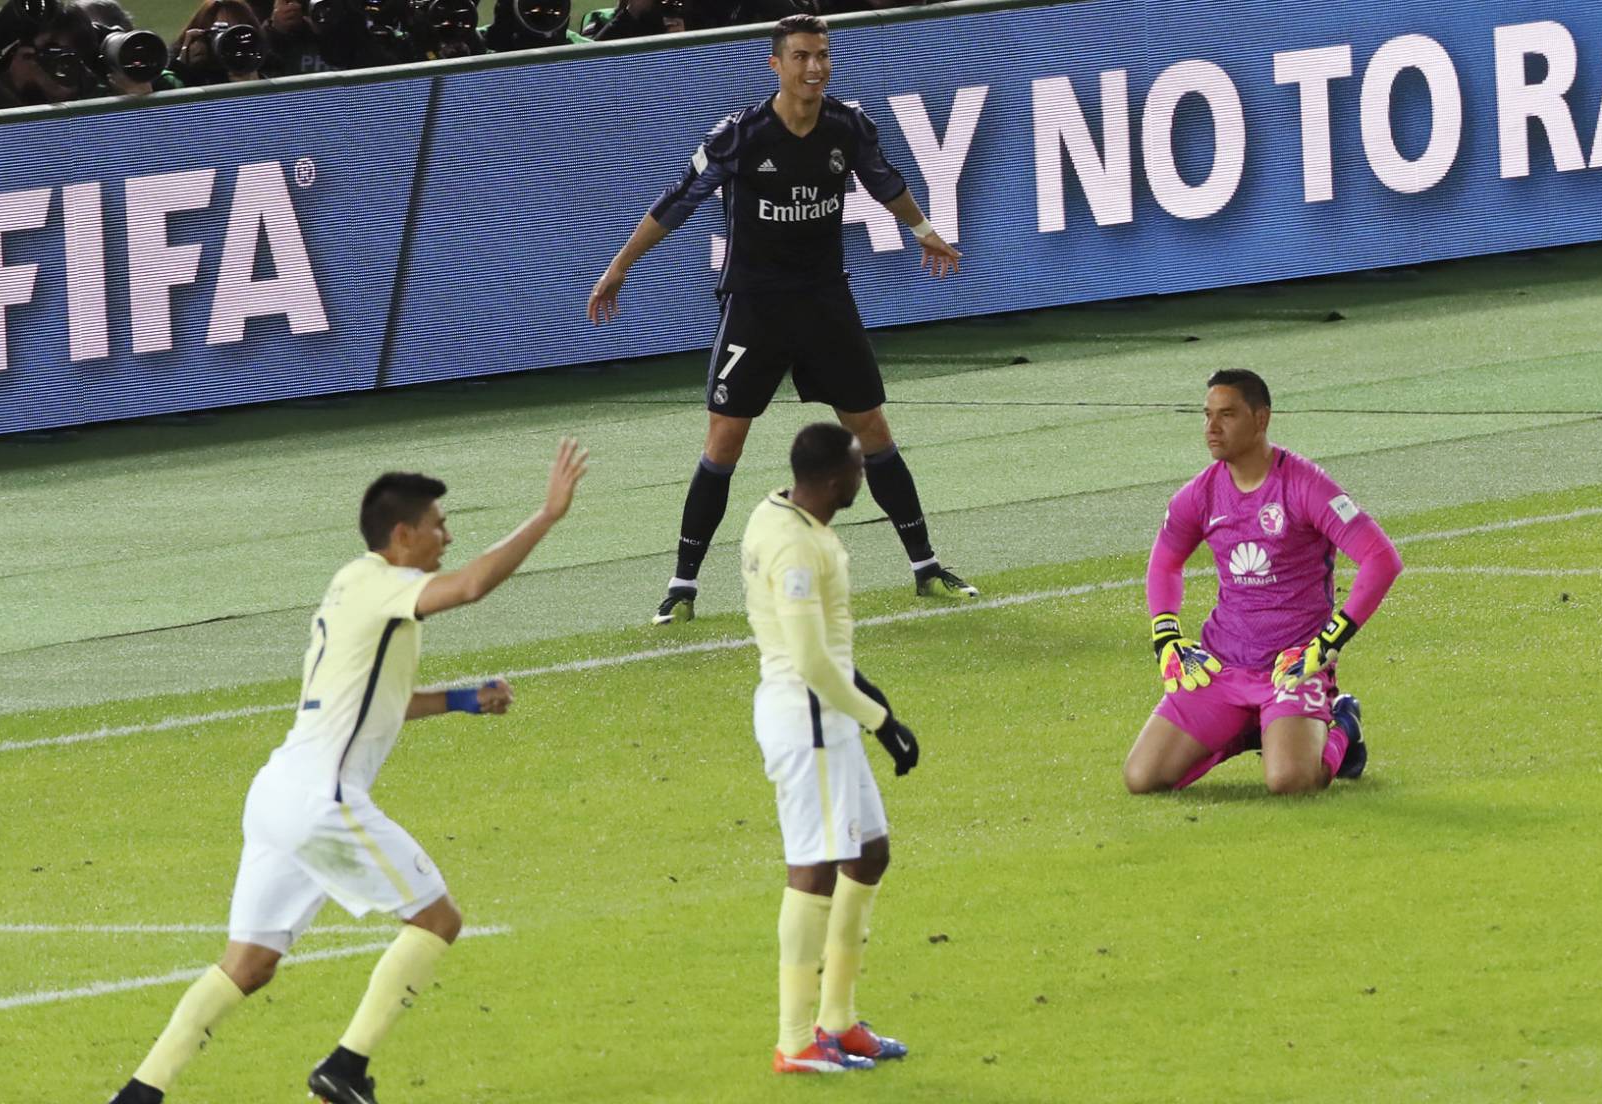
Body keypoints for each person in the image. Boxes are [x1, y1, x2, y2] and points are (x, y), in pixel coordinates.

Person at [105, 440, 589, 1104]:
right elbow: (472, 585)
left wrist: (459, 700)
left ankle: (138, 1094)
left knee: (247, 964)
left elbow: (375, 703)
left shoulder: (352, 583)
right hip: (319, 801)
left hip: (277, 792)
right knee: (436, 920)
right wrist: (548, 514)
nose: (448, 536)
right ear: (403, 534)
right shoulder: (386, 586)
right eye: (439, 525)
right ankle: (345, 1068)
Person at [587, 13, 976, 627]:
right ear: (776, 64)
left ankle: (927, 568)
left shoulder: (848, 126)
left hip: (825, 303)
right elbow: (677, 202)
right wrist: (619, 266)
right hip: (755, 307)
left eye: (821, 55)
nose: (814, 67)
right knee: (723, 444)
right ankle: (682, 587)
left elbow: (885, 182)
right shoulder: (742, 135)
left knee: (872, 431)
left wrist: (924, 232)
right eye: (800, 56)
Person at [1123, 371, 1402, 795]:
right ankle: (1257, 729)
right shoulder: (1198, 495)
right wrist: (1166, 634)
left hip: (1292, 668)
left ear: (1261, 419)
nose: (1212, 429)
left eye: (1227, 415)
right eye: (1207, 416)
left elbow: (1381, 559)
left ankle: (1343, 723)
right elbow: (1165, 562)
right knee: (1142, 778)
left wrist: (1327, 643)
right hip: (1220, 668)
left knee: (1290, 781)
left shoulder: (1305, 486)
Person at [740, 422, 918, 1074]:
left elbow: (829, 650)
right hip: (808, 719)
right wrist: (880, 720)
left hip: (828, 716)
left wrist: (878, 711)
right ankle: (795, 1041)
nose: (865, 474)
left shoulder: (779, 513)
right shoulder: (792, 547)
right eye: (859, 467)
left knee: (869, 853)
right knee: (813, 867)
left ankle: (837, 1019)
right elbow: (812, 661)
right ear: (838, 480)